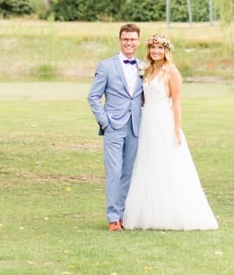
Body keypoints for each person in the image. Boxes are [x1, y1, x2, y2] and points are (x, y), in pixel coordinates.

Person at [121, 33, 219, 230]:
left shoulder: (171, 71)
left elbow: (176, 103)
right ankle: (149, 213)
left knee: (167, 163)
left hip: (163, 121)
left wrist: (176, 129)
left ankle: (173, 213)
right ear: (148, 50)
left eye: (160, 48)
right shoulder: (147, 70)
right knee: (148, 164)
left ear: (166, 51)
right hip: (147, 121)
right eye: (153, 48)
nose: (156, 51)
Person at [87, 23, 145, 231]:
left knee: (128, 173)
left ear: (138, 42)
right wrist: (105, 122)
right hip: (113, 126)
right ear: (120, 40)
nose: (129, 43)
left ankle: (124, 215)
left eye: (133, 39)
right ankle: (113, 218)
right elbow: (93, 97)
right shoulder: (106, 66)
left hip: (135, 127)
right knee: (114, 171)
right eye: (125, 39)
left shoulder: (144, 66)